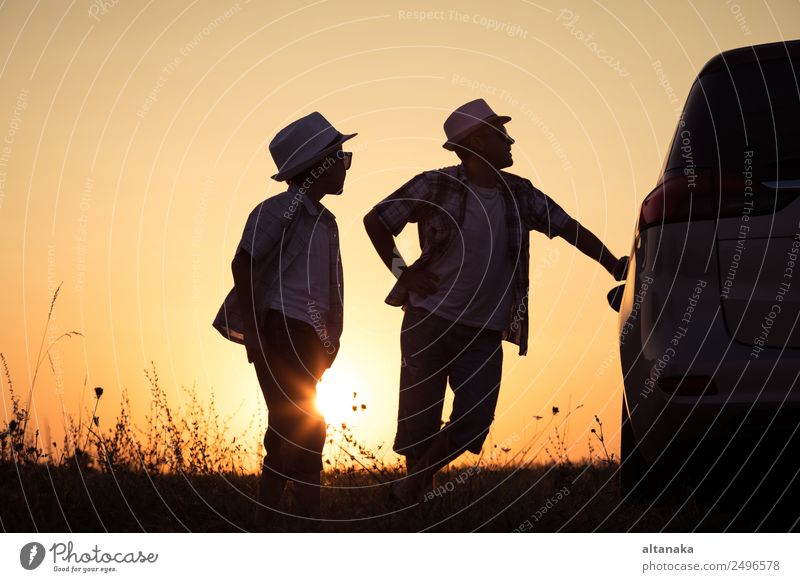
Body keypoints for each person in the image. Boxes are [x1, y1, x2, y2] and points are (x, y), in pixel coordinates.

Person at [363, 98, 626, 504]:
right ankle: (416, 509)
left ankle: (411, 486)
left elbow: (569, 228)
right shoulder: (436, 184)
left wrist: (614, 265)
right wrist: (404, 272)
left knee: (474, 421)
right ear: (479, 142)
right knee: (419, 425)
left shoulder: (519, 193)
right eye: (501, 134)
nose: (510, 140)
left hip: (483, 332)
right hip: (427, 323)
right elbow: (377, 219)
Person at [213, 112, 356, 528]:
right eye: (339, 157)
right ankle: (304, 518)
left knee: (289, 423)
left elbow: (327, 290)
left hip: (307, 336)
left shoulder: (325, 222)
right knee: (305, 422)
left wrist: (328, 341)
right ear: (318, 166)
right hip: (279, 327)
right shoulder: (279, 211)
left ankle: (268, 519)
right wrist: (256, 332)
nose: (345, 165)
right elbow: (244, 263)